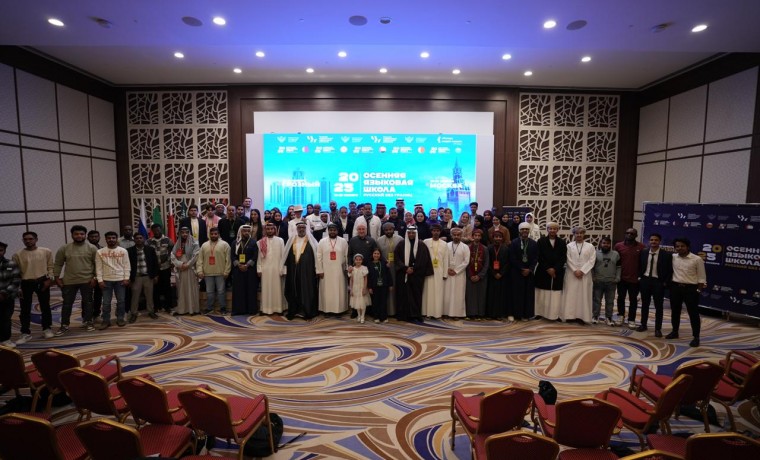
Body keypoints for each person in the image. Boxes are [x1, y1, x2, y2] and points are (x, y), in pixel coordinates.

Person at [54, 225, 98, 335]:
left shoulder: (92, 248)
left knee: (88, 303)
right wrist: (56, 278)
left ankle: (88, 322)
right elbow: (58, 264)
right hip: (69, 281)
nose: (79, 236)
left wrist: (95, 278)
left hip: (87, 280)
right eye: (76, 234)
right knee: (67, 304)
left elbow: (97, 264)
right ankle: (64, 325)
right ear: (72, 235)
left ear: (85, 235)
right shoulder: (64, 248)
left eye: (82, 234)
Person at [12, 232, 54, 342]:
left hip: (42, 281)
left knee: (45, 306)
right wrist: (18, 287)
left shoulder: (46, 251)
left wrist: (49, 280)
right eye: (25, 239)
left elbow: (50, 267)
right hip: (25, 283)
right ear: (23, 240)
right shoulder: (17, 255)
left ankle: (47, 328)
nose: (28, 241)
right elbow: (15, 273)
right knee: (25, 308)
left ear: (36, 239)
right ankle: (25, 332)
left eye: (31, 239)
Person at [667, 237, 706, 347]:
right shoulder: (673, 257)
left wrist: (698, 290)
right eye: (677, 246)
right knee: (675, 311)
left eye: (682, 246)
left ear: (688, 247)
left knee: (693, 313)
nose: (680, 248)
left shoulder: (697, 259)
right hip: (675, 287)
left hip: (691, 289)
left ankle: (696, 337)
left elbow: (702, 277)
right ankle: (675, 331)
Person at [393, 225, 434, 322]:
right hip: (403, 274)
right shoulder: (401, 244)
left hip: (416, 275)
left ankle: (415, 315)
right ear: (406, 234)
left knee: (416, 295)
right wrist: (405, 268)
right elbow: (396, 258)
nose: (411, 235)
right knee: (403, 295)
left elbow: (424, 260)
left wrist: (414, 269)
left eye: (413, 233)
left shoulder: (421, 245)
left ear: (416, 234)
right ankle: (403, 315)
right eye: (409, 233)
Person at [637, 233, 672, 336]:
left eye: (656, 240)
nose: (653, 242)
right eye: (652, 240)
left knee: (658, 306)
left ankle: (658, 329)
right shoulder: (644, 252)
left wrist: (665, 283)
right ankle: (643, 324)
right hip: (645, 281)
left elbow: (670, 270)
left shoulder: (666, 254)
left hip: (658, 282)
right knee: (645, 305)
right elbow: (639, 265)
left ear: (660, 241)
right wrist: (640, 277)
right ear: (649, 241)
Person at [283, 222, 319, 320]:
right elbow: (285, 255)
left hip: (308, 272)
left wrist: (318, 269)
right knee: (293, 289)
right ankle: (293, 310)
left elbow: (317, 256)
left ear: (306, 229)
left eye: (303, 227)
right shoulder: (291, 240)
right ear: (297, 229)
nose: (301, 229)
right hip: (293, 271)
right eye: (299, 228)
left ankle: (307, 311)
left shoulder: (311, 241)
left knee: (306, 290)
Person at [96, 231, 131, 329]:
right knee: (106, 302)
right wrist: (100, 280)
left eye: (113, 238)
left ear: (116, 239)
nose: (111, 240)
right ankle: (106, 320)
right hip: (106, 280)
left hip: (120, 280)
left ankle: (120, 318)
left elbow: (127, 266)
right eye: (109, 238)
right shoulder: (100, 252)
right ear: (106, 239)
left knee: (121, 301)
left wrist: (126, 278)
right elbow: (98, 267)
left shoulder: (123, 251)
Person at [560, 226, 595, 324]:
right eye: (577, 233)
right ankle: (569, 316)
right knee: (570, 295)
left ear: (584, 234)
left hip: (585, 275)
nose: (579, 235)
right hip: (571, 274)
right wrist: (575, 270)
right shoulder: (569, 246)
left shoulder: (590, 246)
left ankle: (582, 317)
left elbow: (592, 260)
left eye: (581, 233)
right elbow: (568, 259)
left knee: (583, 295)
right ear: (574, 234)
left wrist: (582, 271)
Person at [534, 222, 567, 322]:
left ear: (557, 230)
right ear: (547, 229)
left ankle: (555, 314)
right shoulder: (541, 241)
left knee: (555, 294)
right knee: (542, 293)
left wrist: (555, 269)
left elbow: (563, 257)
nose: (552, 230)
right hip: (543, 271)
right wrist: (548, 268)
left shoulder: (562, 242)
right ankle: (539, 313)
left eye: (554, 229)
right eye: (550, 228)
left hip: (557, 271)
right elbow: (538, 256)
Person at [614, 228, 645, 328]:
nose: (629, 235)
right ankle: (621, 316)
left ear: (636, 235)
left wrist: (640, 276)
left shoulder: (641, 247)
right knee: (620, 298)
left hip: (635, 279)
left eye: (632, 233)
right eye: (627, 233)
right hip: (622, 278)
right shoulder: (618, 246)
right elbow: (615, 262)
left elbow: (643, 263)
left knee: (633, 300)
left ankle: (631, 319)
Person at [197, 227, 231, 315]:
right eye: (212, 234)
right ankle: (209, 308)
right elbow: (200, 259)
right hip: (207, 273)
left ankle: (223, 308)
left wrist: (227, 271)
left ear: (218, 234)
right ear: (209, 234)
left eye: (215, 234)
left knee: (221, 291)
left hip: (221, 272)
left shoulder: (225, 244)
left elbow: (228, 260)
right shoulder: (204, 245)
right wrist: (200, 271)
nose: (213, 235)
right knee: (209, 292)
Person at [508, 222, 538, 321]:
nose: (524, 231)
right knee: (516, 293)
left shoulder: (533, 243)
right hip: (517, 272)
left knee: (527, 294)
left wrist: (529, 269)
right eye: (522, 229)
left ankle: (526, 314)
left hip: (529, 273)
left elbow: (535, 258)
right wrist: (521, 268)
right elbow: (512, 257)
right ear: (519, 231)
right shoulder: (514, 242)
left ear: (529, 231)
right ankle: (516, 314)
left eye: (526, 229)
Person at [316, 223, 348, 315]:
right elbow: (318, 257)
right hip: (326, 271)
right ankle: (326, 310)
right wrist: (320, 270)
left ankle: (339, 310)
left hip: (339, 271)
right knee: (327, 291)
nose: (332, 232)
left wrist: (346, 268)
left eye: (334, 230)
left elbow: (346, 255)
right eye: (331, 230)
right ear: (328, 231)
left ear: (337, 231)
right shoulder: (322, 241)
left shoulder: (343, 241)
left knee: (339, 290)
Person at [127, 233, 159, 322]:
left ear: (144, 239)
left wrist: (156, 275)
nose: (139, 239)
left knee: (149, 295)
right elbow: (126, 265)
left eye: (140, 238)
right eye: (137, 238)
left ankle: (151, 311)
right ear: (134, 240)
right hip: (136, 277)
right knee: (135, 296)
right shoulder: (129, 251)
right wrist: (128, 277)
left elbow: (155, 263)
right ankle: (134, 313)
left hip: (148, 276)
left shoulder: (150, 249)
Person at [257, 222, 286, 315]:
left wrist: (283, 269)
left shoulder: (280, 240)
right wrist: (259, 269)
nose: (270, 231)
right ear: (265, 230)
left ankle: (278, 309)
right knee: (266, 289)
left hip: (277, 269)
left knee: (278, 289)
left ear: (274, 230)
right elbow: (258, 258)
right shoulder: (260, 242)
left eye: (271, 229)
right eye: (268, 229)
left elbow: (283, 256)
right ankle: (265, 309)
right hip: (265, 269)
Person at [171, 227, 200, 315]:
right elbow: (172, 255)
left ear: (189, 233)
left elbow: (196, 255)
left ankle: (193, 309)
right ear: (180, 234)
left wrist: (187, 265)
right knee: (181, 289)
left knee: (191, 288)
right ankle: (182, 309)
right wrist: (180, 264)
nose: (184, 234)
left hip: (190, 268)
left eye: (186, 232)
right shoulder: (178, 243)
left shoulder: (195, 243)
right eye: (182, 232)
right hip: (181, 268)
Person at [231, 224, 259, 315]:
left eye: (248, 231)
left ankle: (251, 310)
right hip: (238, 270)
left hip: (250, 270)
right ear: (240, 231)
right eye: (244, 231)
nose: (246, 233)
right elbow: (232, 256)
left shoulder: (253, 242)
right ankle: (238, 310)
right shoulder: (235, 243)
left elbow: (255, 256)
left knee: (250, 290)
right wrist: (239, 265)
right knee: (239, 290)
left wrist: (247, 265)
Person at [592, 236, 621, 326]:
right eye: (604, 243)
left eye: (608, 243)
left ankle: (608, 317)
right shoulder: (595, 253)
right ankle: (595, 316)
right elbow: (592, 267)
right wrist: (593, 277)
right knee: (596, 300)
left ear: (610, 244)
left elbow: (619, 267)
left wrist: (617, 278)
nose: (606, 245)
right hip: (598, 281)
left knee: (610, 301)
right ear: (600, 244)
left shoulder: (615, 254)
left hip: (611, 282)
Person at [376, 222, 403, 316]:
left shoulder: (400, 239)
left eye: (390, 229)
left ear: (393, 229)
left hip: (397, 268)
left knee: (396, 288)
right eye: (386, 230)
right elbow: (378, 254)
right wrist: (384, 262)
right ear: (383, 231)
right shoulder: (379, 240)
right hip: (385, 268)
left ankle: (396, 310)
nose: (388, 231)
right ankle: (386, 310)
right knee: (385, 288)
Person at [422, 224, 448, 319]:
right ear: (431, 231)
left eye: (437, 231)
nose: (436, 232)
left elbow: (446, 259)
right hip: (428, 270)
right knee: (428, 292)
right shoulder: (426, 242)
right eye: (434, 231)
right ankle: (427, 313)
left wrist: (445, 273)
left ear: (440, 232)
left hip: (439, 271)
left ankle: (437, 313)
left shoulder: (444, 244)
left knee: (438, 292)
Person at [443, 227, 470, 318]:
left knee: (458, 294)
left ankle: (457, 314)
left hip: (459, 274)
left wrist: (456, 270)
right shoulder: (446, 245)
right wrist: (447, 268)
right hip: (448, 273)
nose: (456, 236)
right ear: (451, 235)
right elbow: (443, 258)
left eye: (458, 235)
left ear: (461, 235)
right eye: (454, 235)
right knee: (447, 294)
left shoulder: (465, 247)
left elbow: (466, 261)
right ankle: (446, 312)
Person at [147, 224, 174, 313]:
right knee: (155, 288)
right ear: (152, 231)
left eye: (158, 230)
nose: (157, 232)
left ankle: (168, 306)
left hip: (165, 267)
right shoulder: (148, 242)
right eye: (155, 231)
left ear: (161, 230)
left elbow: (172, 253)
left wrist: (170, 262)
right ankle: (156, 306)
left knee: (167, 287)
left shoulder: (168, 240)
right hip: (154, 269)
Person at [0, 241, 21, 348]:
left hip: (7, 297)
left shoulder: (11, 264)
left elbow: (16, 281)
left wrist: (3, 293)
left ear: (4, 251)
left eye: (1, 250)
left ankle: (5, 339)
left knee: (6, 318)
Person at [465, 229, 489, 319]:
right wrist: (470, 275)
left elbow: (487, 263)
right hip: (470, 275)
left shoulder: (485, 249)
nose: (477, 237)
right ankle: (470, 313)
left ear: (481, 237)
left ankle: (480, 314)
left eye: (479, 236)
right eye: (475, 235)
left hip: (481, 276)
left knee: (481, 295)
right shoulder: (467, 248)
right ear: (472, 236)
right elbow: (466, 263)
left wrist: (479, 275)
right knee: (470, 295)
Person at [485, 229, 509, 320]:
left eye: (500, 237)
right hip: (491, 275)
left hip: (502, 276)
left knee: (500, 295)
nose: (498, 238)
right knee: (491, 294)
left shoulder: (506, 248)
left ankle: (499, 314)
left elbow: (508, 263)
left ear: (502, 238)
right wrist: (494, 273)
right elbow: (487, 262)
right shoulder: (489, 248)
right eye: (496, 237)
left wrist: (501, 273)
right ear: (493, 238)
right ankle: (490, 314)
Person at [368, 248, 393, 323]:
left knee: (383, 302)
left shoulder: (384, 263)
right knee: (375, 302)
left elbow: (388, 274)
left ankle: (384, 317)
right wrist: (369, 287)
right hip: (374, 286)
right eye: (375, 253)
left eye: (378, 253)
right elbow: (368, 277)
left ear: (380, 255)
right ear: (372, 254)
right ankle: (376, 317)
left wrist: (390, 284)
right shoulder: (369, 264)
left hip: (384, 285)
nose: (376, 255)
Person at [348, 254, 370, 323]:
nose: (358, 261)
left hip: (362, 287)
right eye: (356, 260)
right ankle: (359, 315)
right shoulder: (352, 269)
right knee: (357, 303)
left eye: (360, 260)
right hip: (355, 288)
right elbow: (351, 280)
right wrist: (351, 289)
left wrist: (365, 288)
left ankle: (363, 316)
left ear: (362, 261)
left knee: (363, 303)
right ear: (354, 261)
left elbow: (365, 279)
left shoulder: (364, 268)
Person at [87, 230, 103, 320]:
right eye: (92, 237)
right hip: (87, 276)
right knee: (87, 298)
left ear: (99, 237)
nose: (94, 238)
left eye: (96, 236)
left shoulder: (103, 249)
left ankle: (96, 314)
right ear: (88, 238)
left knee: (98, 296)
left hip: (100, 276)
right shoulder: (85, 249)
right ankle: (86, 316)